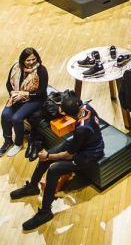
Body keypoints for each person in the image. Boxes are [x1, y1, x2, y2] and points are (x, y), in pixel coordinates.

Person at [10, 95, 105, 231]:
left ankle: (45, 212)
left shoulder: (82, 129)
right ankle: (32, 187)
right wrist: (47, 156)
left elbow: (68, 155)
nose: (59, 108)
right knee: (46, 158)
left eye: (61, 108)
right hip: (83, 142)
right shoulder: (85, 107)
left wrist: (48, 155)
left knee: (53, 169)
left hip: (89, 154)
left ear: (65, 113)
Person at [0, 48, 48, 158]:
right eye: (28, 60)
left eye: (33, 59)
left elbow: (41, 92)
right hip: (17, 96)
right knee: (5, 115)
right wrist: (13, 93)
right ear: (22, 60)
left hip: (35, 99)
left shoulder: (41, 70)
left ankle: (18, 143)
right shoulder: (16, 67)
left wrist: (24, 94)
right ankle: (8, 141)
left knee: (17, 118)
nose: (31, 62)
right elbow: (8, 84)